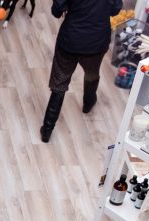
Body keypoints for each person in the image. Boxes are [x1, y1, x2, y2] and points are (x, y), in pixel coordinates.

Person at [40, 0, 123, 143]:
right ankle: (88, 103)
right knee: (92, 73)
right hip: (96, 43)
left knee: (59, 84)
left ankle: (47, 130)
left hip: (70, 41)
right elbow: (115, 10)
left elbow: (56, 11)